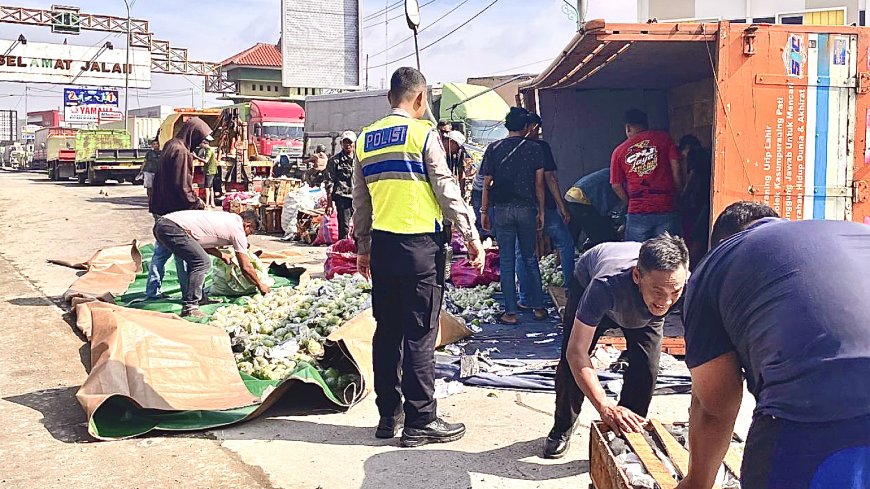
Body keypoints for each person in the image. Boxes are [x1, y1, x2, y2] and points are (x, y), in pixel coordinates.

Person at [676, 203, 870, 489]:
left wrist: (697, 482)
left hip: (814, 412)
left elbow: (715, 405)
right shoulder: (856, 233)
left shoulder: (717, 263)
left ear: (719, 242)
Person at [353, 67, 484, 448]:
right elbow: (446, 189)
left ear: (389, 97)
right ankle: (420, 420)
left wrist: (363, 247)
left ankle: (387, 416)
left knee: (387, 331)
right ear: (421, 98)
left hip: (383, 247)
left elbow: (360, 201)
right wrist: (471, 237)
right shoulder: (423, 133)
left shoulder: (366, 138)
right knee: (420, 333)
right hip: (419, 248)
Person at [544, 234, 689, 459]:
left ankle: (626, 430)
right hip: (592, 283)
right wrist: (604, 405)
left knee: (647, 368)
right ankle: (562, 426)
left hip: (645, 315)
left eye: (675, 292)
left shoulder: (684, 285)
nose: (667, 301)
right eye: (659, 291)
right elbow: (577, 351)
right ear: (637, 276)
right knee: (569, 363)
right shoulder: (605, 286)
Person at [480, 107, 547, 324]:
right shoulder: (535, 149)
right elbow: (539, 184)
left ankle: (510, 312)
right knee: (529, 258)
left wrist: (483, 211)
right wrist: (542, 211)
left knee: (507, 261)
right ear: (526, 127)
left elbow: (486, 184)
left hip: (501, 210)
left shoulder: (494, 148)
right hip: (526, 209)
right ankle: (538, 307)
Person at [153, 210, 270, 318]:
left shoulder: (228, 219)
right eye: (251, 231)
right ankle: (190, 306)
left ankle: (200, 298)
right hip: (172, 227)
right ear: (247, 225)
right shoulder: (238, 229)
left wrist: (221, 255)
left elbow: (200, 242)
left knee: (195, 260)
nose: (248, 235)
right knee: (202, 262)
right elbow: (246, 266)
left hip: (163, 225)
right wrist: (260, 285)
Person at [146, 117, 209, 301]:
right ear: (193, 135)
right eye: (200, 139)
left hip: (160, 206)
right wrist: (198, 204)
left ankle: (153, 291)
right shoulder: (182, 153)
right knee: (183, 254)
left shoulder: (171, 144)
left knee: (161, 251)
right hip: (173, 212)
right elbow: (182, 187)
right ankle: (188, 294)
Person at [517, 113, 574, 298]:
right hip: (544, 207)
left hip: (518, 207)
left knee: (522, 252)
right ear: (531, 126)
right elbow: (549, 179)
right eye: (537, 128)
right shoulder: (540, 147)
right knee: (565, 242)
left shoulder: (504, 147)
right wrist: (561, 206)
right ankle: (571, 287)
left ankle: (527, 295)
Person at [610, 109, 683, 242]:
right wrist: (677, 194)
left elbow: (616, 185)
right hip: (665, 205)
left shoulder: (619, 151)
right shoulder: (664, 139)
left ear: (628, 127)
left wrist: (629, 201)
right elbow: (676, 169)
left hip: (638, 210)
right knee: (668, 255)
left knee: (635, 255)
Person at [564, 168, 622, 250]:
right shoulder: (620, 179)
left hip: (573, 195)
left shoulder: (612, 171)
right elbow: (606, 203)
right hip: (582, 199)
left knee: (573, 234)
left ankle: (565, 257)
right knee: (602, 237)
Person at [680, 147, 712, 269]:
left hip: (699, 203)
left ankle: (690, 266)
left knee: (696, 236)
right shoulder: (705, 157)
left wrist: (683, 195)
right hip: (705, 200)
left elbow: (692, 178)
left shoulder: (694, 155)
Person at [326, 131, 356, 241]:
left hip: (358, 197)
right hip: (343, 197)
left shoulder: (359, 160)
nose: (347, 145)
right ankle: (342, 251)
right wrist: (329, 204)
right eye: (345, 142)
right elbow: (330, 182)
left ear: (354, 144)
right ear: (341, 144)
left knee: (360, 228)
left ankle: (356, 252)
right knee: (344, 228)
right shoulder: (334, 161)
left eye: (350, 142)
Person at [443, 130, 472, 196]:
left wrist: (462, 190)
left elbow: (461, 171)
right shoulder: (436, 152)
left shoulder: (458, 154)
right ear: (451, 142)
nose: (458, 150)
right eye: (457, 147)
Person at [195, 140, 219, 208]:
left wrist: (196, 157)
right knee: (211, 187)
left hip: (209, 171)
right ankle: (212, 203)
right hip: (212, 170)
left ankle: (207, 203)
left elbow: (206, 160)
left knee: (207, 187)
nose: (200, 145)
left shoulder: (208, 150)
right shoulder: (209, 150)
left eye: (201, 144)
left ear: (204, 144)